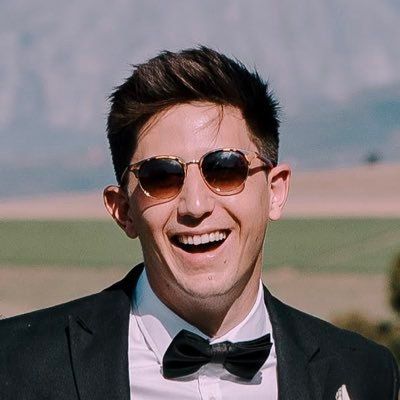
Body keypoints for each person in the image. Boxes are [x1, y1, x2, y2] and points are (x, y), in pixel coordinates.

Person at [0, 46, 398, 400]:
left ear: (275, 191)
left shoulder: (363, 373)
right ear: (123, 210)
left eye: (225, 169)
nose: (195, 205)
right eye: (161, 177)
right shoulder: (15, 364)